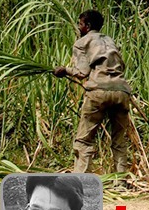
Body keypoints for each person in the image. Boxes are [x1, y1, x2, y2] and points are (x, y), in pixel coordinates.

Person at [53, 10, 133, 174]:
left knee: (84, 140)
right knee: (119, 141)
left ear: (87, 26)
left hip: (99, 90)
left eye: (80, 24)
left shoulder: (82, 42)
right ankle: (121, 181)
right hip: (121, 91)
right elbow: (121, 65)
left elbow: (82, 71)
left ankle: (82, 180)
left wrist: (65, 70)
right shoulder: (110, 41)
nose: (78, 27)